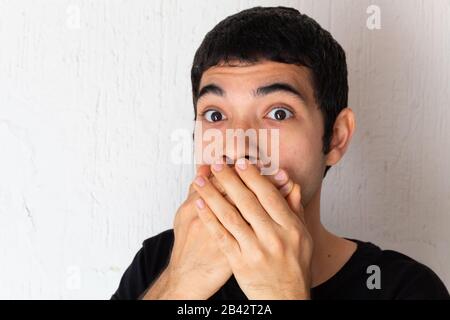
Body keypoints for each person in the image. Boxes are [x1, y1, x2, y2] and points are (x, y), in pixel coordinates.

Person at [111, 6, 449, 300]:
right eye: (215, 115)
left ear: (335, 138)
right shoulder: (158, 262)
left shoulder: (403, 288)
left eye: (278, 113)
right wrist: (177, 285)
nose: (239, 146)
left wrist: (286, 292)